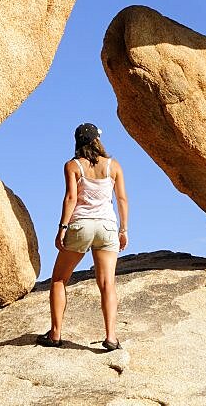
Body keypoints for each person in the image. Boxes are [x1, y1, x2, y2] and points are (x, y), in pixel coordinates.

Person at [37, 122, 129, 351]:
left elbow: (70, 198)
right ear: (97, 140)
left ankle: (55, 334)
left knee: (59, 279)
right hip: (107, 226)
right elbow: (122, 200)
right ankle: (111, 337)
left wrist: (62, 227)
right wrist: (124, 230)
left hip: (81, 225)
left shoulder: (73, 166)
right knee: (108, 283)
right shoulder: (113, 166)